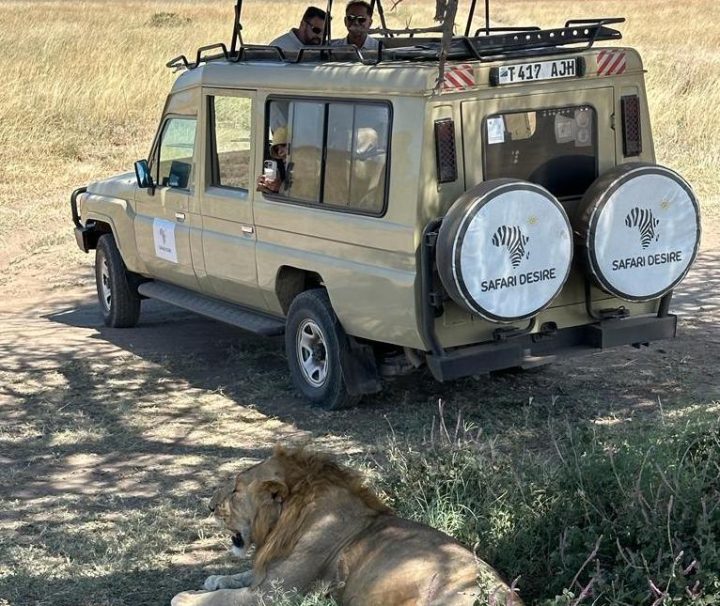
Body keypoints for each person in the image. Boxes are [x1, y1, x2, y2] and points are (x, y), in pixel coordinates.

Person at [256, 126, 288, 194]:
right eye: (277, 149)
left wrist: (281, 187)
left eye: (284, 145)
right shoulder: (282, 169)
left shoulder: (310, 169)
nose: (280, 152)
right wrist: (267, 187)